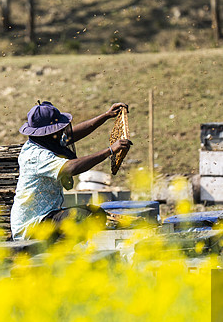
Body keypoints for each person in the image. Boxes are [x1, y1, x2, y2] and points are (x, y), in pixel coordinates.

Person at [10, 101, 133, 240]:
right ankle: (58, 254)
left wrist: (105, 116)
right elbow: (71, 167)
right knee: (83, 217)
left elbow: (72, 134)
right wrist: (109, 151)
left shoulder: (46, 141)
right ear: (48, 133)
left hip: (47, 216)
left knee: (96, 214)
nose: (62, 132)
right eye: (58, 130)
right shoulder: (36, 156)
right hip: (32, 226)